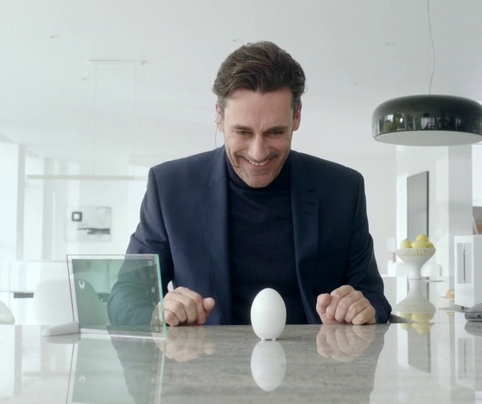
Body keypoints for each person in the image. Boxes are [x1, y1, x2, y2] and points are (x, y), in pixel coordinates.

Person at [108, 41, 391, 327]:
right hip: (205, 366)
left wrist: (361, 308)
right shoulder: (169, 187)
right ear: (219, 116)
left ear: (297, 117)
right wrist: (159, 313)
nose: (258, 153)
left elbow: (374, 298)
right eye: (242, 132)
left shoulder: (343, 190)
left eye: (275, 132)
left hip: (315, 363)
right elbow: (124, 297)